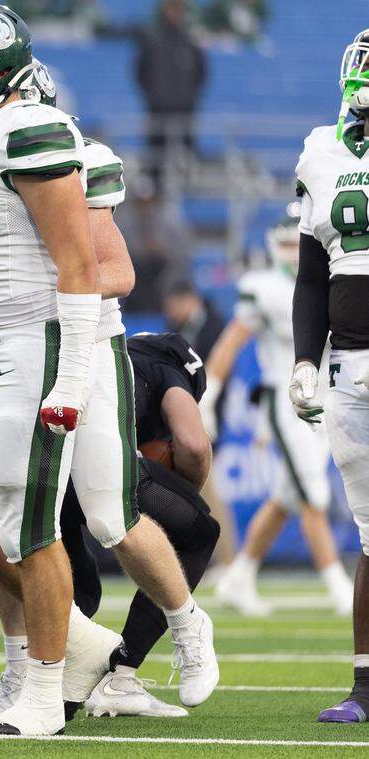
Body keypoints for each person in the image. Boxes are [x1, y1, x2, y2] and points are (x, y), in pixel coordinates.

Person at [0, 19, 216, 733]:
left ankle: (48, 686)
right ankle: (79, 646)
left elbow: (92, 270)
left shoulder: (37, 131)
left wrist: (71, 376)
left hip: (44, 343)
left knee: (68, 520)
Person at [206, 212, 354, 617]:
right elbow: (230, 344)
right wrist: (209, 398)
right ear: (273, 248)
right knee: (312, 493)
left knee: (287, 496)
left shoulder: (331, 279)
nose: (293, 252)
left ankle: (239, 576)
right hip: (285, 402)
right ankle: (340, 587)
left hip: (327, 399)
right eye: (285, 244)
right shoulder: (264, 288)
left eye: (297, 243)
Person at [77, 332, 220, 718]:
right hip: (100, 454)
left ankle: (42, 674)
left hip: (44, 451)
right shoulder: (166, 366)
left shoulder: (95, 350)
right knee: (194, 535)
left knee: (77, 583)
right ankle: (122, 675)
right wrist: (181, 498)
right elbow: (193, 445)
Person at [290, 28, 369, 725]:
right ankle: (367, 687)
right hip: (351, 366)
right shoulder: (322, 150)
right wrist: (303, 359)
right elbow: (312, 274)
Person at [135, 0, 206, 185]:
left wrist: (189, 98)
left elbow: (201, 73)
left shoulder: (190, 42)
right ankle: (152, 189)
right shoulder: (153, 41)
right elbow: (141, 72)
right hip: (158, 108)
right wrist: (154, 96)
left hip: (185, 109)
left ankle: (189, 187)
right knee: (155, 156)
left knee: (187, 151)